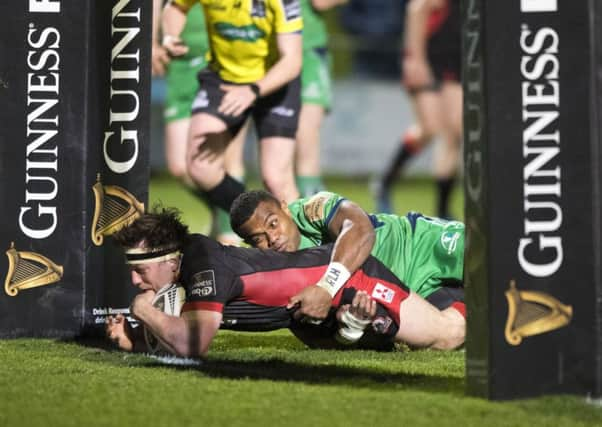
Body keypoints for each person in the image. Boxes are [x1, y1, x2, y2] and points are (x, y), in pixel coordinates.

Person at [105, 207, 464, 357]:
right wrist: (135, 338)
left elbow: (193, 342)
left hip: (355, 280)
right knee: (372, 342)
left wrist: (141, 311)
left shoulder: (203, 263)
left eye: (140, 270)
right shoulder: (187, 271)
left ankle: (475, 295)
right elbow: (179, 323)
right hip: (310, 319)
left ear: (169, 259)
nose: (136, 280)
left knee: (446, 337)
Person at [229, 190, 465, 327]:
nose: (273, 238)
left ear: (285, 209)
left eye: (273, 223)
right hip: (412, 294)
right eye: (259, 239)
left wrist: (327, 287)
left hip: (420, 244)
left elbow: (362, 230)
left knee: (492, 255)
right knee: (460, 330)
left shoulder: (313, 209)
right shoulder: (279, 278)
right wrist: (350, 326)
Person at [160, 0, 303, 224]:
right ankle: (257, 218)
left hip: (276, 81)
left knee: (276, 179)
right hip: (223, 80)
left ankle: (304, 248)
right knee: (200, 167)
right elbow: (176, 7)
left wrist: (252, 90)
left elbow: (292, 60)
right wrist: (170, 36)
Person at [152, 0, 245, 244]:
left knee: (226, 159)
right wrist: (152, 40)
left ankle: (230, 237)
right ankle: (226, 207)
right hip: (180, 63)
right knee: (180, 167)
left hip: (222, 59)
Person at [375, 0, 462, 218]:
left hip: (455, 59)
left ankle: (443, 211)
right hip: (428, 57)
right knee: (430, 128)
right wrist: (415, 59)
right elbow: (418, 7)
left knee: (454, 133)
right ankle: (384, 183)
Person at [295, 0, 347, 197]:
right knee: (281, 146)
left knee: (306, 135)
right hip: (267, 54)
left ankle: (312, 211)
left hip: (309, 52)